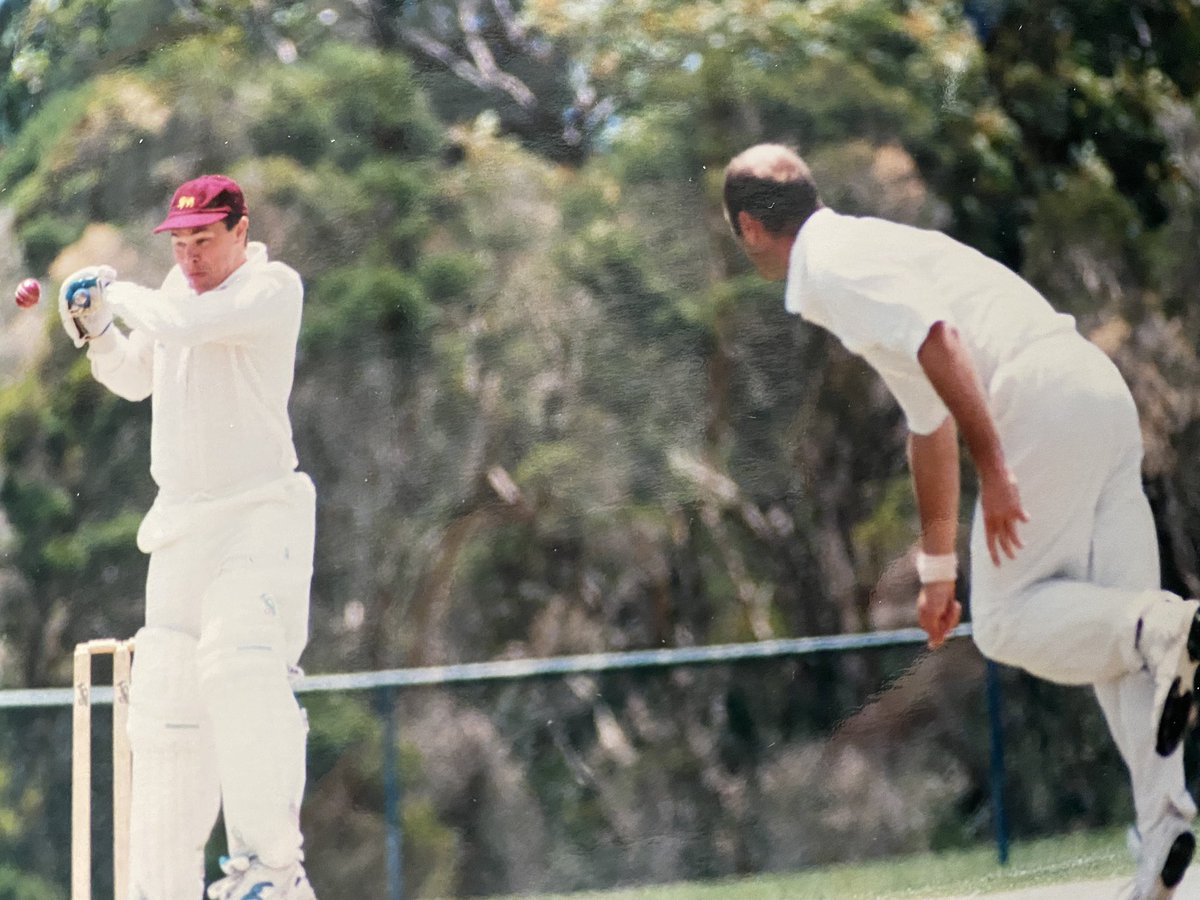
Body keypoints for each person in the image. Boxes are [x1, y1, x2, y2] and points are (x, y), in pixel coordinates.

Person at [723, 143, 1200, 899]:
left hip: (1034, 399)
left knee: (1012, 623)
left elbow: (940, 341)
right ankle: (1167, 834)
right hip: (1093, 391)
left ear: (748, 227)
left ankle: (1163, 628)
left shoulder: (835, 263)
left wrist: (999, 467)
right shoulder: (867, 246)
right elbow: (927, 424)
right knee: (1120, 640)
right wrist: (938, 573)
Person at [58, 175, 318, 899]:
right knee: (167, 706)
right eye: (179, 242)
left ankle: (271, 871)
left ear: (240, 230)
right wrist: (100, 332)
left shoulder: (272, 289)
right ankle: (160, 889)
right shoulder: (173, 299)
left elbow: (188, 326)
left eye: (204, 239)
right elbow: (138, 375)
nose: (191, 255)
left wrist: (116, 295)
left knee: (240, 666)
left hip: (258, 514)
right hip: (179, 527)